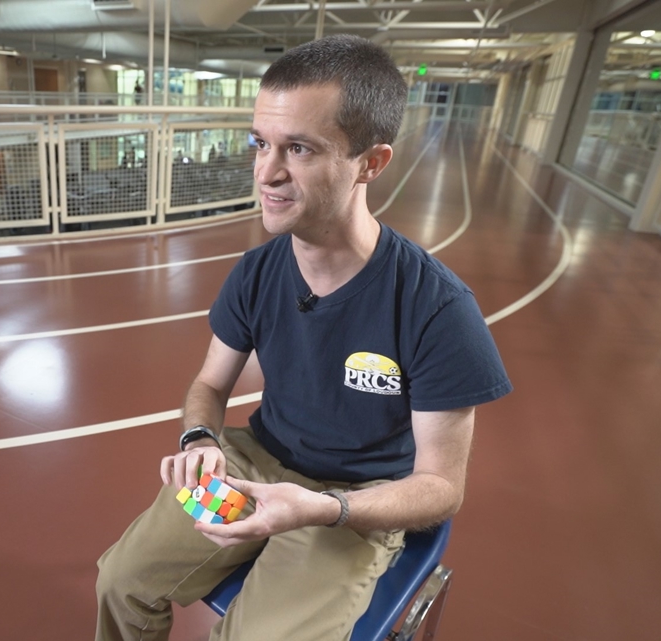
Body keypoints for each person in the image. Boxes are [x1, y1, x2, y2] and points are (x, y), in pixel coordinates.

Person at [96, 35, 512, 641]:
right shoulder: (258, 270)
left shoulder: (438, 309)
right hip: (253, 461)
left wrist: (324, 508)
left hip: (353, 502)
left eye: (299, 148)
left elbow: (441, 488)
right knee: (119, 583)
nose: (267, 172)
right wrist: (198, 440)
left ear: (370, 163)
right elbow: (210, 383)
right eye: (260, 143)